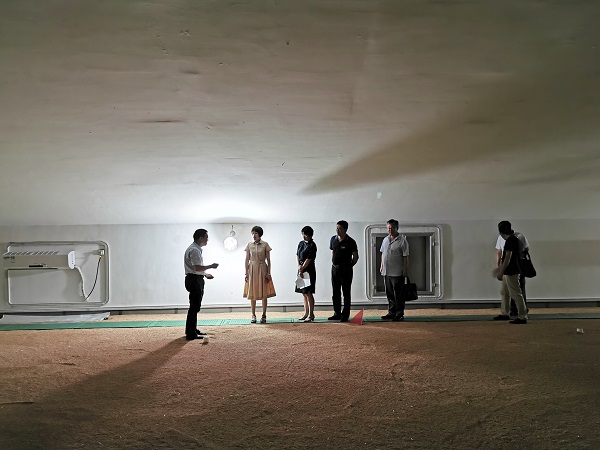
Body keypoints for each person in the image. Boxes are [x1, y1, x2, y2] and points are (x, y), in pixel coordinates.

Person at [184, 229, 219, 340]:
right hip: (194, 280)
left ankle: (192, 330)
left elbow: (196, 268)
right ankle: (191, 333)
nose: (207, 239)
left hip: (194, 278)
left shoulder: (194, 249)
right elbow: (197, 268)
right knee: (194, 307)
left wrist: (205, 274)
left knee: (194, 306)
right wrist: (211, 266)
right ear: (201, 238)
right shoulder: (194, 250)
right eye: (206, 237)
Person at [493, 221, 528, 324]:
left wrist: (500, 271)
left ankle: (522, 316)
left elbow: (507, 258)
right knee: (504, 292)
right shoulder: (515, 239)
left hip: (512, 271)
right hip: (509, 271)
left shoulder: (510, 241)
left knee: (516, 293)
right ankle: (505, 313)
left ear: (501, 232)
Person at [328, 220, 359, 322]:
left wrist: (349, 265)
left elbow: (355, 256)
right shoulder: (333, 239)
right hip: (335, 269)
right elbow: (333, 252)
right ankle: (337, 313)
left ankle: (345, 315)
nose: (337, 230)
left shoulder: (351, 241)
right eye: (337, 228)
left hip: (346, 270)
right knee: (335, 292)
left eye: (340, 228)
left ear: (345, 229)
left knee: (346, 292)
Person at [380, 219, 410, 322]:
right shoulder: (385, 239)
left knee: (399, 295)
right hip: (386, 271)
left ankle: (399, 313)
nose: (390, 230)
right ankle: (391, 312)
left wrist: (405, 271)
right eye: (388, 228)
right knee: (389, 294)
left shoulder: (402, 240)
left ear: (397, 228)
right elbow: (383, 253)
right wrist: (382, 265)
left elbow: (406, 256)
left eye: (392, 228)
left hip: (397, 272)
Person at [244, 226, 276, 323]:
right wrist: (246, 273)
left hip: (262, 268)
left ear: (260, 234)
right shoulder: (249, 245)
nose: (254, 235)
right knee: (252, 291)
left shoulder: (265, 244)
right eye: (252, 233)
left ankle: (264, 315)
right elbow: (247, 259)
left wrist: (269, 273)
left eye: (256, 233)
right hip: (252, 269)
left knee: (264, 292)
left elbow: (269, 260)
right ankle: (253, 315)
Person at [296, 225, 317, 322]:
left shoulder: (313, 245)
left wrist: (302, 268)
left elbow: (309, 258)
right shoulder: (301, 243)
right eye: (303, 234)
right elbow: (297, 255)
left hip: (309, 270)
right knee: (303, 293)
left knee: (308, 293)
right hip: (300, 269)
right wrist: (299, 267)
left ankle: (311, 314)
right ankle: (306, 313)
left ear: (310, 235)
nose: (304, 237)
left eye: (306, 235)